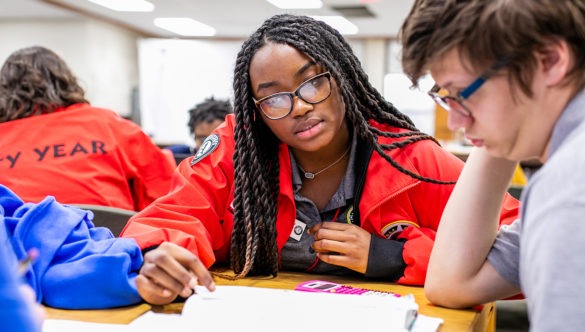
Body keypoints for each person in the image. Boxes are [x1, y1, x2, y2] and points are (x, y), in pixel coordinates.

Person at [120, 13, 519, 305]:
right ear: (257, 110)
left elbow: (518, 250)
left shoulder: (409, 157)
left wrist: (391, 256)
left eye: (313, 83)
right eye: (274, 97)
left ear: (341, 78)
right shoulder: (235, 147)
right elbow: (172, 217)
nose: (297, 107)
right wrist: (160, 255)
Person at [399, 0, 585, 329]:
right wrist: (503, 127)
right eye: (446, 98)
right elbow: (451, 283)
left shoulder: (569, 190)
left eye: (462, 93)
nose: (455, 121)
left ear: (550, 60)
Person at [0, 46, 174, 211]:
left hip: (18, 240)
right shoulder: (108, 124)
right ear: (66, 82)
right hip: (110, 237)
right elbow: (165, 192)